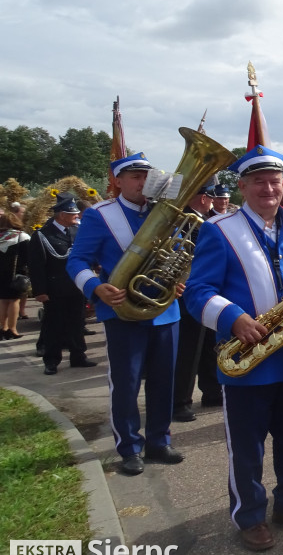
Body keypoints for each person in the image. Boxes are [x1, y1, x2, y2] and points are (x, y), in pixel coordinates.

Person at [184, 145, 283, 552]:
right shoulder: (219, 229)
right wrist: (233, 318)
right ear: (243, 186)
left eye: (276, 181)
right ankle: (248, 515)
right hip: (248, 356)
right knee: (246, 444)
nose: (270, 188)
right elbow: (196, 293)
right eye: (260, 182)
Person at [67, 152, 184, 476]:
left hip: (164, 312)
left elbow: (177, 253)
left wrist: (178, 280)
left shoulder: (165, 212)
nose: (142, 181)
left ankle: (159, 441)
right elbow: (76, 261)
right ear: (117, 181)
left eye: (146, 175)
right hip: (123, 312)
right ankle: (129, 447)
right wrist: (95, 287)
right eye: (134, 176)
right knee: (126, 383)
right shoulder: (100, 215)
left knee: (164, 381)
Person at [28, 194, 95, 374]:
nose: (76, 217)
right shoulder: (43, 235)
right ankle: (51, 360)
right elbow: (36, 266)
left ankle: (78, 356)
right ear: (62, 215)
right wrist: (40, 291)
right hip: (54, 288)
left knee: (77, 323)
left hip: (76, 286)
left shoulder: (75, 231)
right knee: (54, 326)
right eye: (73, 215)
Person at [172, 184, 220, 422]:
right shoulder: (183, 220)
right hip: (187, 290)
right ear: (203, 198)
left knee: (210, 344)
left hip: (208, 289)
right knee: (188, 349)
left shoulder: (206, 219)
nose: (213, 200)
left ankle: (212, 390)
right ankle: (180, 401)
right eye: (211, 196)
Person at [0, 210, 30, 340]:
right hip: (16, 275)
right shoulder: (21, 237)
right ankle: (13, 329)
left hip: (1, 275)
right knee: (14, 300)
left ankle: (3, 327)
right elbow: (29, 257)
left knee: (2, 300)